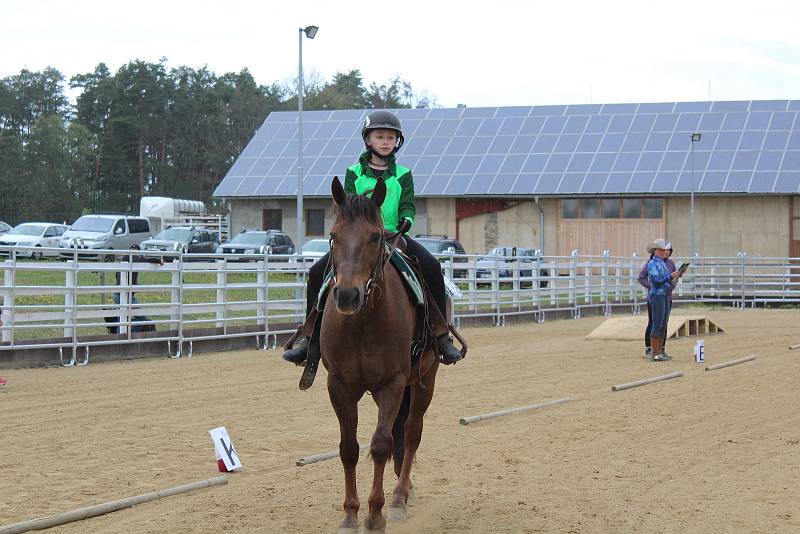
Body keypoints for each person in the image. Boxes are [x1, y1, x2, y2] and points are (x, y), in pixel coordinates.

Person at [283, 110, 463, 365]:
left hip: (393, 235)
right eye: (380, 136)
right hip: (358, 238)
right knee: (316, 273)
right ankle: (310, 338)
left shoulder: (403, 174)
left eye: (391, 137)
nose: (386, 142)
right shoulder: (353, 173)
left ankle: (442, 335)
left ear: (397, 142)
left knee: (432, 267)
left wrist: (406, 221)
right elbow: (345, 206)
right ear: (368, 140)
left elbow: (408, 206)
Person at [638, 242, 679, 360]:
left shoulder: (662, 263)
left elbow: (664, 279)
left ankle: (659, 351)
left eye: (665, 250)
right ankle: (655, 352)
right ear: (655, 251)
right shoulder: (652, 264)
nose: (664, 252)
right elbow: (656, 280)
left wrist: (674, 276)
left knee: (662, 324)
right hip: (657, 296)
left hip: (665, 295)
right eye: (661, 250)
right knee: (656, 324)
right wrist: (671, 276)